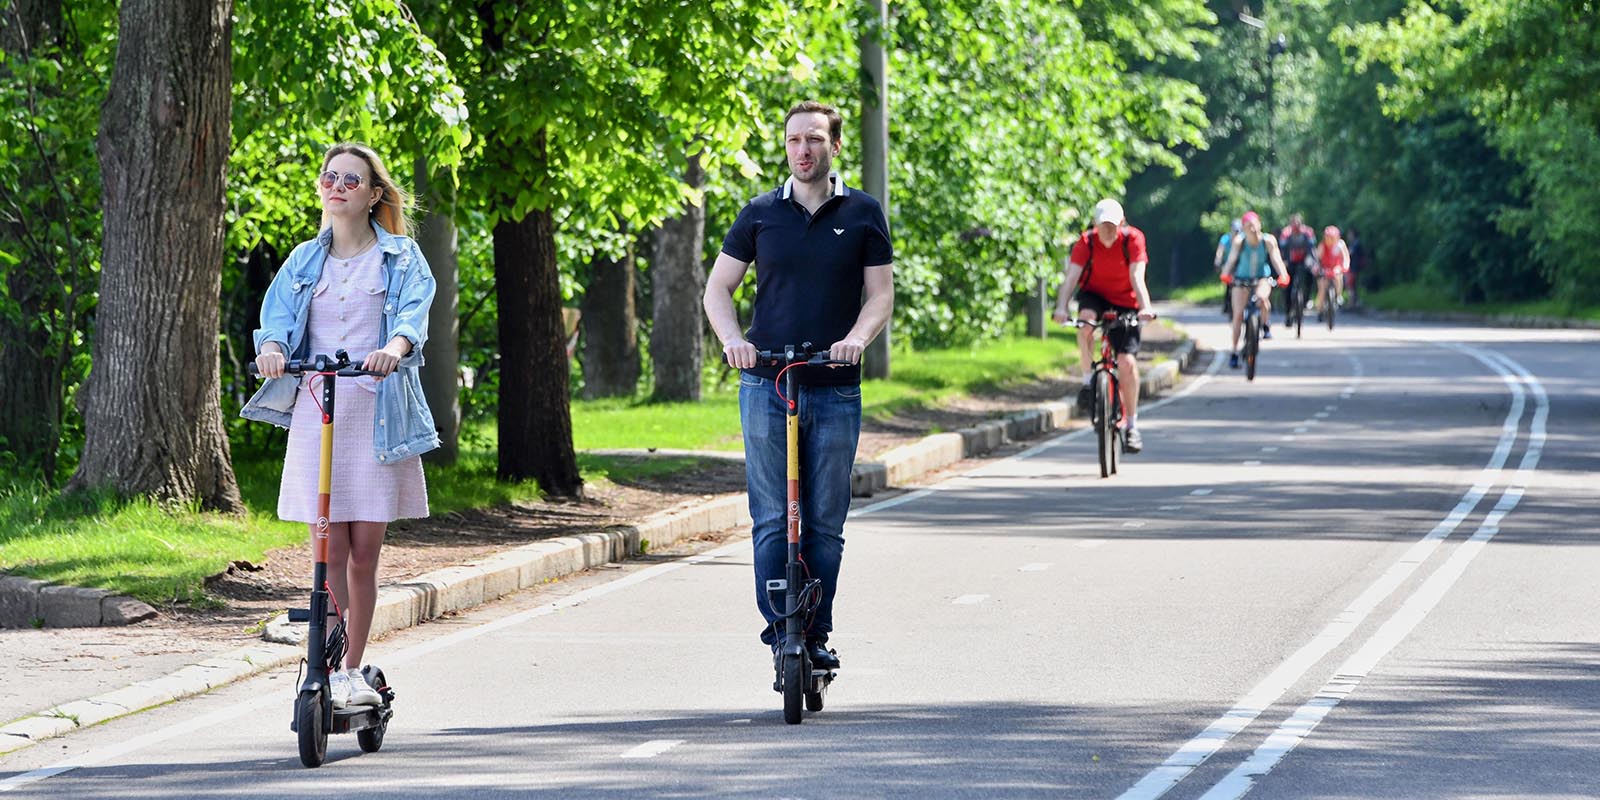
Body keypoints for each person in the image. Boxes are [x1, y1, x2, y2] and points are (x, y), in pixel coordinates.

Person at [243, 142, 439, 709]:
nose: (337, 187)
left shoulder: (401, 258)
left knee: (363, 553)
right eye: (330, 178)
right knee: (325, 551)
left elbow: (411, 315)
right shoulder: (305, 260)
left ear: (374, 194)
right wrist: (274, 350)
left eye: (351, 181)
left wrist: (394, 348)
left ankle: (352, 669)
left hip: (375, 409)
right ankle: (324, 659)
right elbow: (274, 319)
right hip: (318, 408)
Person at [702, 100, 894, 674]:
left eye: (813, 139)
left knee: (824, 522)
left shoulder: (862, 212)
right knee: (770, 518)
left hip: (833, 386)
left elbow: (879, 296)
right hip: (766, 384)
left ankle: (816, 631)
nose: (803, 150)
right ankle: (782, 629)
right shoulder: (760, 213)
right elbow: (718, 291)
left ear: (835, 145)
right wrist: (734, 341)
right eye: (793, 141)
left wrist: (857, 339)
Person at [1052, 198, 1157, 453]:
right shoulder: (1086, 243)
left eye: (1112, 225)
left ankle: (1132, 426)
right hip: (1095, 295)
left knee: (1126, 363)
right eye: (1103, 225)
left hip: (1127, 301)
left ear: (1121, 223)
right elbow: (1072, 278)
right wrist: (1061, 307)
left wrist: (1145, 308)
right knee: (1085, 324)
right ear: (1095, 225)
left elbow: (1136, 276)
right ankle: (1088, 382)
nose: (1108, 231)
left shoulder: (1132, 240)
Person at [1220, 210, 1290, 368]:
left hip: (1261, 278)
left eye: (1254, 224)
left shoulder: (1268, 240)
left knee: (1262, 298)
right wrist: (1225, 274)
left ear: (1260, 224)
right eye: (1248, 226)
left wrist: (1283, 275)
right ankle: (1234, 351)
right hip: (1241, 279)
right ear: (1243, 228)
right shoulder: (1240, 241)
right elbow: (1231, 259)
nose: (1252, 228)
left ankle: (1265, 325)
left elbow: (1276, 258)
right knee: (1238, 314)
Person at [1277, 212, 1317, 329]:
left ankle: (1307, 299)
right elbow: (1282, 249)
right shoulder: (1286, 233)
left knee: (1310, 273)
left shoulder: (1308, 232)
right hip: (1290, 261)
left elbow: (1311, 248)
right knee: (1288, 286)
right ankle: (1288, 312)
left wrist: (1311, 262)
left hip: (1304, 260)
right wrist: (1283, 262)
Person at [1314, 225, 1351, 320]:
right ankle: (1320, 309)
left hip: (1336, 267)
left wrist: (1345, 267)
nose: (1329, 240)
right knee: (1322, 287)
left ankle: (1338, 295)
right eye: (1327, 237)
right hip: (1324, 268)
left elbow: (1346, 258)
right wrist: (1316, 268)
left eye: (1332, 238)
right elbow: (1317, 259)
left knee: (1339, 277)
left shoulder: (1340, 245)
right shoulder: (1322, 245)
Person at [1214, 218, 1242, 317]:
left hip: (1239, 264)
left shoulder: (1242, 239)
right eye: (1235, 230)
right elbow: (1220, 251)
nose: (1236, 233)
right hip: (1227, 264)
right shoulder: (1225, 239)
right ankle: (1227, 303)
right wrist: (1217, 261)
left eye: (1238, 230)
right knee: (1228, 283)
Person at [1346, 227, 1368, 306]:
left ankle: (1352, 303)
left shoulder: (1356, 243)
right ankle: (1354, 302)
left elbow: (1350, 253)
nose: (1348, 235)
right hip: (1355, 267)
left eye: (1349, 234)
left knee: (1351, 284)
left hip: (1354, 267)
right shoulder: (1354, 243)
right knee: (1353, 285)